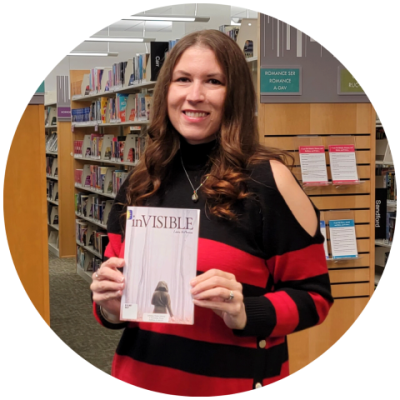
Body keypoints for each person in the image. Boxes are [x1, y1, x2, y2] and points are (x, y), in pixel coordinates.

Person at [90, 29, 333, 396]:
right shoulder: (140, 183)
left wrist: (244, 311)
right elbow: (114, 303)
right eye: (183, 79)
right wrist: (109, 306)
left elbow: (315, 297)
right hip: (140, 377)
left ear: (234, 94)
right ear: (166, 92)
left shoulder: (269, 181)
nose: (195, 95)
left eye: (213, 81)